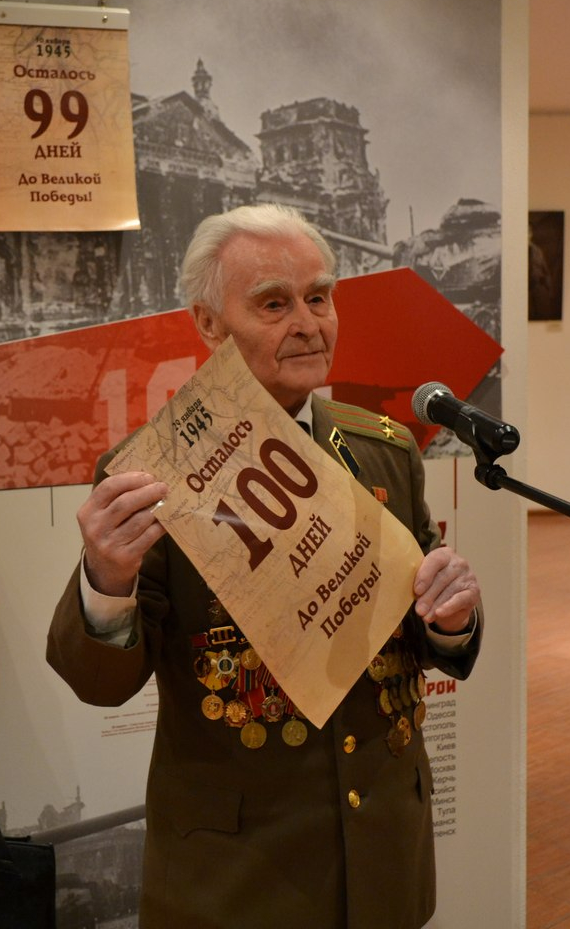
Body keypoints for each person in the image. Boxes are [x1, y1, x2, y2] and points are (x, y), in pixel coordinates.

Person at [47, 203, 483, 929]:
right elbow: (102, 683)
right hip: (239, 879)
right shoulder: (150, 476)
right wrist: (106, 580)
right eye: (274, 304)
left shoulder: (384, 450)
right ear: (208, 323)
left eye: (319, 297)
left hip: (385, 857)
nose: (308, 324)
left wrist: (451, 620)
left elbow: (423, 638)